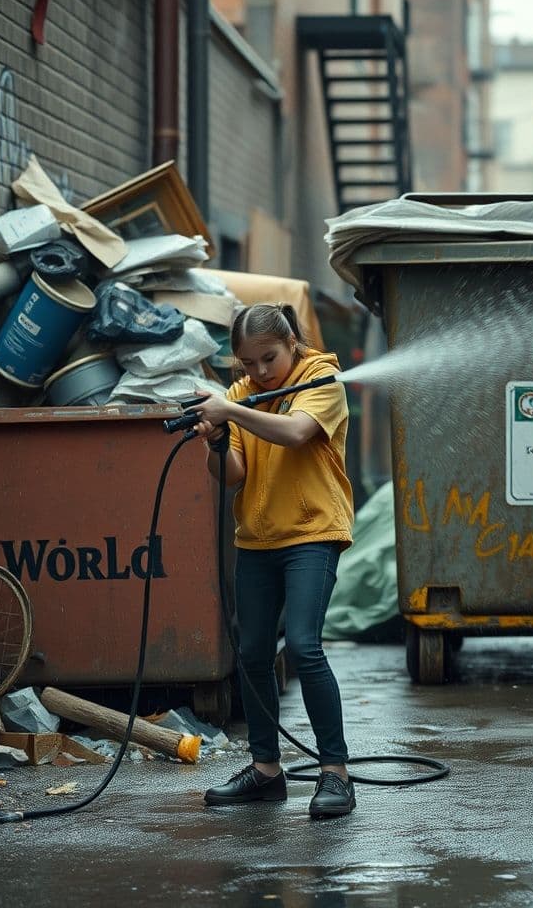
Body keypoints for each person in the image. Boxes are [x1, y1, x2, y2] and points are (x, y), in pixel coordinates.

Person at [191, 302, 356, 819]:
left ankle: (336, 774)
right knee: (254, 654)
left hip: (313, 533)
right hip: (257, 539)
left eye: (269, 358)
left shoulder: (321, 379)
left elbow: (295, 433)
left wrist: (230, 410)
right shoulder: (241, 395)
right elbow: (234, 475)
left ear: (291, 344)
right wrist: (215, 440)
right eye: (248, 364)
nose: (260, 372)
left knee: (305, 646)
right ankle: (266, 771)